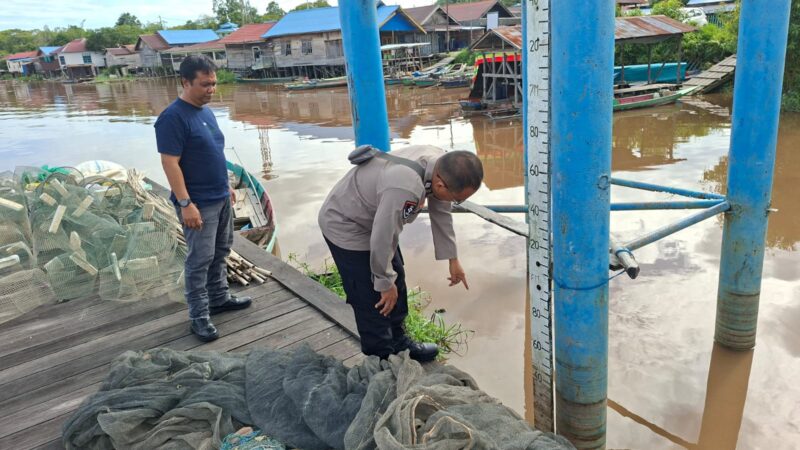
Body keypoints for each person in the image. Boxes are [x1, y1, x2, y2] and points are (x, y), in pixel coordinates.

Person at [318, 144, 484, 362]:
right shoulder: (405, 187)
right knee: (372, 295)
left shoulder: (441, 165)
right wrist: (384, 283)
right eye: (457, 198)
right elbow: (383, 237)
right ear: (440, 184)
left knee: (398, 277)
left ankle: (399, 341)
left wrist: (453, 260)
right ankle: (381, 358)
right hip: (346, 223)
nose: (455, 203)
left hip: (376, 218)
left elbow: (441, 212)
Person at [155, 55, 251, 342]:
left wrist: (227, 185)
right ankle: (198, 316)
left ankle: (219, 298)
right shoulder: (172, 118)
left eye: (214, 84)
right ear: (185, 82)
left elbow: (215, 151)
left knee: (222, 250)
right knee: (199, 259)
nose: (212, 89)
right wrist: (186, 204)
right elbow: (170, 163)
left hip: (220, 196)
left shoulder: (206, 112)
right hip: (198, 202)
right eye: (205, 84)